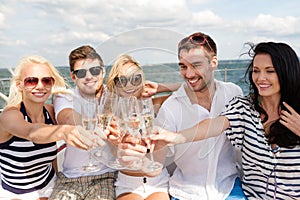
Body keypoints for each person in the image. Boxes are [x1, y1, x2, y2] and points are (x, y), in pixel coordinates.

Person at [151, 41, 300, 199]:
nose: (261, 78)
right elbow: (212, 125)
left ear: (286, 72)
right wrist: (172, 137)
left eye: (270, 71)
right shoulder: (243, 108)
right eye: (256, 71)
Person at [154, 32, 245, 200]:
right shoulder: (171, 108)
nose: (188, 74)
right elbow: (158, 162)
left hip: (229, 187)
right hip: (185, 192)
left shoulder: (234, 92)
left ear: (213, 63)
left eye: (196, 65)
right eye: (183, 66)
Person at [0, 55, 89, 200]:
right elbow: (31, 132)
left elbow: (51, 156)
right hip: (16, 194)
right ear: (19, 85)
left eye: (46, 80)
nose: (40, 86)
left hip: (50, 186)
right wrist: (64, 131)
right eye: (31, 81)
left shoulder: (50, 112)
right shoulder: (9, 116)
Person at [50, 45, 117, 200]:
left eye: (94, 70)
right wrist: (99, 125)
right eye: (81, 73)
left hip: (105, 176)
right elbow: (67, 118)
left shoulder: (114, 96)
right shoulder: (64, 96)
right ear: (73, 77)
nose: (89, 77)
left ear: (103, 71)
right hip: (69, 179)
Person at [106, 54, 170, 200]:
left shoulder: (153, 105)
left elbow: (189, 92)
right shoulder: (111, 115)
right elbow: (117, 155)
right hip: (128, 183)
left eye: (135, 78)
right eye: (122, 80)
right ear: (114, 84)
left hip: (157, 180)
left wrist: (159, 88)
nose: (129, 85)